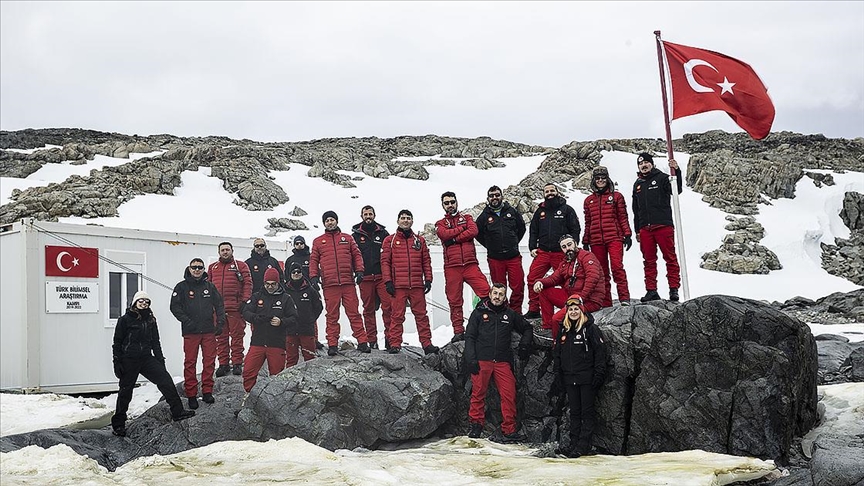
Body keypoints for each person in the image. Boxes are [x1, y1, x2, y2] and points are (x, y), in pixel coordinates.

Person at [112, 291, 195, 436]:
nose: (143, 304)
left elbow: (155, 342)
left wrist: (160, 360)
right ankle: (118, 425)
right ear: (134, 303)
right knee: (126, 391)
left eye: (146, 302)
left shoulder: (151, 320)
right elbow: (117, 342)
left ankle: (178, 412)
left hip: (146, 358)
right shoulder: (124, 320)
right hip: (129, 359)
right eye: (141, 301)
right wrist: (117, 362)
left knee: (166, 381)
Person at [465, 283, 533, 442]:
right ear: (489, 294)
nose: (497, 297)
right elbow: (470, 337)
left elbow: (527, 328)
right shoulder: (478, 313)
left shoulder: (509, 314)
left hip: (502, 362)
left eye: (501, 294)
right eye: (495, 293)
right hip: (482, 360)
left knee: (509, 394)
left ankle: (509, 429)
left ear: (505, 297)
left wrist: (524, 345)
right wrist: (471, 359)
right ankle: (476, 425)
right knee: (478, 393)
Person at [551, 294, 607, 458]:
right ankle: (573, 443)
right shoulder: (564, 330)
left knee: (587, 413)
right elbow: (558, 355)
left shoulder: (590, 329)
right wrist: (558, 375)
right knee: (574, 412)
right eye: (571, 309)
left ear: (581, 310)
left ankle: (583, 445)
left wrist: (599, 374)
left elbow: (600, 353)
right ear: (567, 311)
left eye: (576, 309)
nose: (574, 312)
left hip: (587, 379)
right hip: (569, 378)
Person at [309, 210, 369, 356]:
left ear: (336, 221)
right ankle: (332, 344)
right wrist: (313, 277)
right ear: (324, 223)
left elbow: (357, 255)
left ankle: (362, 341)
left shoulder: (347, 238)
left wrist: (360, 271)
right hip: (330, 284)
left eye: (332, 220)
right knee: (332, 316)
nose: (330, 222)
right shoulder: (318, 241)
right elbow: (313, 260)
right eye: (327, 220)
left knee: (354, 313)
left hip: (348, 283)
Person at [170, 258, 226, 409]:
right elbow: (175, 307)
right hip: (191, 332)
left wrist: (220, 323)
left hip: (208, 331)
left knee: (209, 362)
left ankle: (207, 391)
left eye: (200, 267)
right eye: (194, 267)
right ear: (189, 268)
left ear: (203, 269)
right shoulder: (181, 287)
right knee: (190, 363)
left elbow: (220, 305)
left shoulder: (210, 286)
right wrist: (187, 321)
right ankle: (191, 394)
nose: (197, 270)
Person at [435, 191, 490, 343]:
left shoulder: (467, 218)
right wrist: (461, 230)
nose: (450, 205)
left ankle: (488, 324)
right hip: (452, 267)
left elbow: (473, 230)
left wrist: (454, 239)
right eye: (447, 203)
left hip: (470, 264)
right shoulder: (440, 223)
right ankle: (458, 331)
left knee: (486, 292)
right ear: (443, 205)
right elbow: (444, 235)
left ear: (457, 202)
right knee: (454, 300)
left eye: (452, 201)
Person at [380, 209, 437, 355]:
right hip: (398, 286)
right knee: (397, 316)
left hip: (417, 285)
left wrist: (428, 279)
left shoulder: (420, 240)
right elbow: (385, 262)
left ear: (412, 221)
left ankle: (426, 343)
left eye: (408, 218)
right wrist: (388, 282)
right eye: (403, 218)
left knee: (421, 315)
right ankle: (395, 344)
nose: (405, 220)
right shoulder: (389, 240)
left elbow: (426, 261)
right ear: (398, 221)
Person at [632, 153, 684, 302]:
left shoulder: (662, 178)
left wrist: (677, 171)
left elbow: (676, 189)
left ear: (652, 164)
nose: (644, 165)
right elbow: (636, 209)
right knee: (648, 260)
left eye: (647, 163)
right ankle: (651, 290)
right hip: (645, 228)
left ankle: (673, 289)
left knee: (670, 257)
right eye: (641, 164)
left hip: (663, 225)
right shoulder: (637, 184)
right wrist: (637, 230)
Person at [525, 183, 581, 319]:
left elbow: (575, 229)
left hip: (560, 254)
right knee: (532, 278)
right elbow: (533, 231)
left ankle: (570, 307)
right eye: (547, 191)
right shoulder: (540, 212)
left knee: (565, 280)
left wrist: (572, 248)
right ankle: (534, 309)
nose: (549, 193)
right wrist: (532, 247)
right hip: (543, 252)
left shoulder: (567, 210)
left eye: (552, 190)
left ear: (557, 192)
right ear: (543, 194)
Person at [533, 234, 604, 340]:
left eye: (569, 244)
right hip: (572, 297)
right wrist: (540, 282)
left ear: (575, 243)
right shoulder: (565, 262)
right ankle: (548, 328)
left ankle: (556, 344)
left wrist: (581, 298)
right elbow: (554, 278)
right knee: (545, 292)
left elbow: (592, 278)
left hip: (589, 300)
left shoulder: (587, 256)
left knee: (557, 319)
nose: (567, 248)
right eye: (564, 247)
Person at [240, 268, 298, 392]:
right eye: (267, 284)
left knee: (276, 376)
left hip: (276, 343)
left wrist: (281, 322)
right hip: (258, 341)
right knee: (248, 371)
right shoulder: (257, 296)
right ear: (264, 283)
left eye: (273, 284)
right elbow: (245, 312)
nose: (270, 287)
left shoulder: (286, 298)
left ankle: (274, 402)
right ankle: (249, 397)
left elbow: (294, 317)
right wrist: (256, 318)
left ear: (278, 283)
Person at [582, 166, 633, 307]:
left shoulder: (617, 196)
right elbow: (588, 222)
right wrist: (585, 240)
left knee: (617, 267)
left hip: (614, 238)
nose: (600, 180)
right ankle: (606, 302)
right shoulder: (588, 200)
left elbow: (623, 217)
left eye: (603, 178)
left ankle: (624, 298)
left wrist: (627, 234)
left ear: (607, 179)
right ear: (593, 180)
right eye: (597, 178)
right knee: (602, 272)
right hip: (595, 240)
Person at [476, 185, 527, 314]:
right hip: (495, 259)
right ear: (488, 198)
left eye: (497, 195)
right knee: (499, 288)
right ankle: (503, 312)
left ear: (502, 196)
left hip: (513, 257)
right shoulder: (484, 216)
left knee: (518, 286)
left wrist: (514, 241)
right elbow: (478, 233)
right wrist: (490, 245)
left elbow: (521, 228)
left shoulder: (512, 212)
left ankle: (515, 313)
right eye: (492, 196)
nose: (495, 198)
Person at [208, 242, 252, 377]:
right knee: (220, 338)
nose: (225, 252)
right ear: (219, 252)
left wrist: (244, 301)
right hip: (218, 311)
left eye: (227, 249)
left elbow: (248, 284)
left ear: (232, 251)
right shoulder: (212, 267)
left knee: (237, 337)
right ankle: (223, 364)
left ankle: (237, 363)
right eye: (222, 250)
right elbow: (208, 286)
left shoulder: (241, 266)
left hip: (235, 309)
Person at [351, 205, 392, 350]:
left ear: (374, 215)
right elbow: (352, 257)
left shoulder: (383, 233)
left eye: (370, 214)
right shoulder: (355, 235)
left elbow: (390, 254)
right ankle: (372, 340)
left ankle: (390, 339)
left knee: (388, 308)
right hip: (365, 277)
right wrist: (356, 272)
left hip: (382, 277)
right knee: (368, 310)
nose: (368, 216)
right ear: (361, 216)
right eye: (365, 214)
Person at [285, 234, 324, 350]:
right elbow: (286, 275)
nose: (299, 245)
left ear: (304, 244)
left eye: (301, 243)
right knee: (292, 314)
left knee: (311, 315)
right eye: (297, 243)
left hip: (309, 289)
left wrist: (315, 283)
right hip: (293, 290)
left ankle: (314, 339)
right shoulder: (290, 260)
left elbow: (317, 271)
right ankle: (294, 340)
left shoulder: (311, 257)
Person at [283, 262, 324, 367]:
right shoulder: (284, 291)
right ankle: (290, 382)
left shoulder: (310, 290)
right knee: (291, 360)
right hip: (290, 331)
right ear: (290, 274)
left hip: (307, 330)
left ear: (302, 273)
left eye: (298, 271)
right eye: (294, 272)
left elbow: (319, 307)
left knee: (310, 359)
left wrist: (310, 319)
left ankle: (312, 383)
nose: (296, 274)